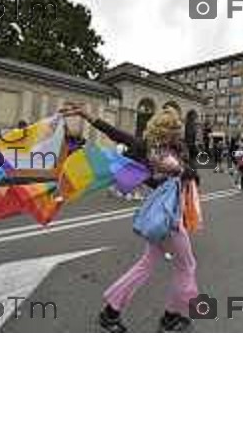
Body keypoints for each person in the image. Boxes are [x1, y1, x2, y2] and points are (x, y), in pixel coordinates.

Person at [62, 103, 200, 333]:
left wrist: (88, 115)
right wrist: (88, 116)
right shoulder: (160, 152)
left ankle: (111, 312)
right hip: (169, 218)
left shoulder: (155, 148)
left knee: (146, 264)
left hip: (163, 214)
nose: (178, 132)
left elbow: (117, 135)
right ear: (168, 131)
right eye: (175, 128)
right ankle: (171, 316)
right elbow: (115, 133)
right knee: (187, 266)